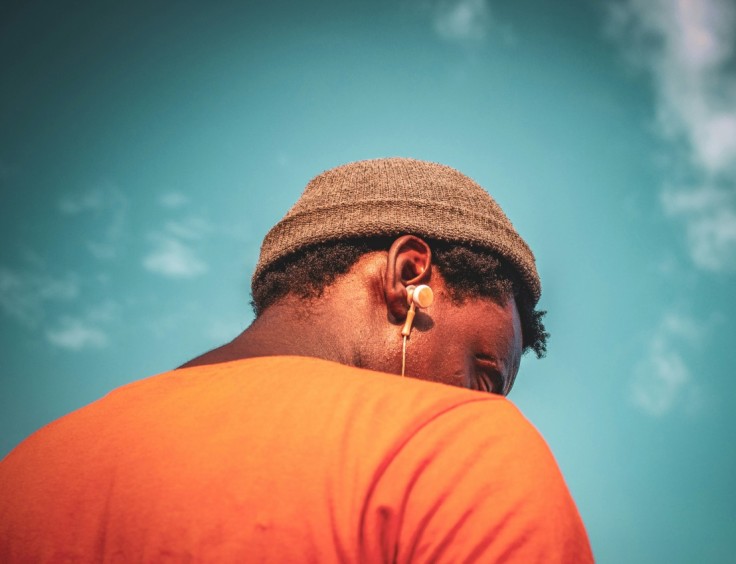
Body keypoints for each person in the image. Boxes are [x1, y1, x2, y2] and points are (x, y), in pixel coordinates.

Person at [0, 158, 593, 562]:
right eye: (484, 373)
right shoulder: (461, 450)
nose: (478, 401)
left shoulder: (29, 467)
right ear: (408, 275)